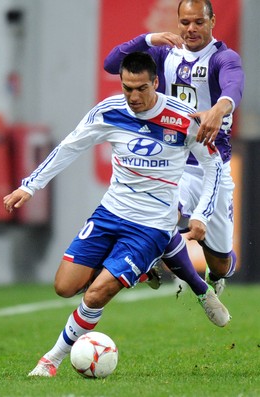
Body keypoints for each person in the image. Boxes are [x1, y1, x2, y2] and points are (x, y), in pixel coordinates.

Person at [4, 52, 228, 377]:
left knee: (96, 294)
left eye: (141, 89)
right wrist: (30, 186)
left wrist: (202, 215)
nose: (134, 97)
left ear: (155, 83)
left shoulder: (183, 119)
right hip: (110, 213)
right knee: (65, 287)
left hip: (152, 225)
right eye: (127, 89)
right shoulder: (109, 111)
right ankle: (141, 270)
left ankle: (50, 361)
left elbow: (214, 165)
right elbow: (70, 146)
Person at [104, 0, 245, 296]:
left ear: (212, 21)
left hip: (212, 169)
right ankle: (149, 257)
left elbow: (234, 85)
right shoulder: (163, 54)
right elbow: (112, 64)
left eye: (198, 22)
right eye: (185, 22)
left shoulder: (223, 58)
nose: (191, 29)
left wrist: (220, 108)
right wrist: (146, 39)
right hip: (174, 163)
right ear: (177, 22)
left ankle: (216, 272)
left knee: (220, 263)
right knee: (160, 214)